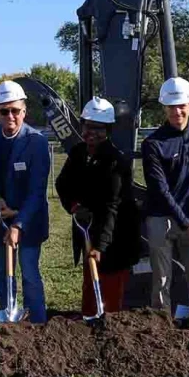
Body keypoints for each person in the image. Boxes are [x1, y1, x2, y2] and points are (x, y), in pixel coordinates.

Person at [0, 80, 51, 324]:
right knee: (2, 271)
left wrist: (18, 224)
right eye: (4, 111)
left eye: (15, 110)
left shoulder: (37, 142)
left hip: (30, 218)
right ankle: (9, 314)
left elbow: (38, 190)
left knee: (29, 271)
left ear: (24, 111)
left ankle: (37, 320)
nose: (10, 116)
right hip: (0, 217)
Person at [55, 98, 141, 315]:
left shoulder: (115, 162)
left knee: (110, 289)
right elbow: (62, 183)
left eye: (98, 128)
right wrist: (74, 206)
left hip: (116, 236)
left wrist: (100, 246)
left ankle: (110, 326)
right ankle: (88, 323)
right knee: (90, 287)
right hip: (88, 231)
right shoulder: (78, 153)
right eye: (87, 126)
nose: (91, 132)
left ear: (108, 130)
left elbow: (112, 206)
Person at [141, 77, 189, 312]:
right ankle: (162, 322)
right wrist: (185, 224)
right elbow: (159, 188)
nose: (177, 111)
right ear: (165, 108)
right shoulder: (153, 144)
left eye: (182, 105)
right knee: (162, 279)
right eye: (172, 107)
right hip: (161, 218)